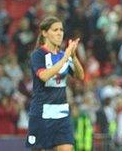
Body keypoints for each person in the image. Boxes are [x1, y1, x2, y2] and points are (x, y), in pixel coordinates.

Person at [26, 16, 85, 150]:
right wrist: (65, 57)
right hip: (42, 114)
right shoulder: (38, 55)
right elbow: (44, 76)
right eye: (55, 30)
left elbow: (80, 76)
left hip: (62, 114)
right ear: (45, 33)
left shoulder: (64, 54)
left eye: (61, 30)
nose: (59, 33)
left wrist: (73, 57)